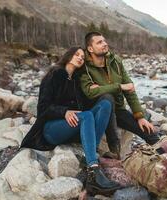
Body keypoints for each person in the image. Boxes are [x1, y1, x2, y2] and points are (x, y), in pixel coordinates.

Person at [20, 47, 121, 195]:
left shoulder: (77, 80)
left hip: (73, 127)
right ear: (68, 56)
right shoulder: (54, 74)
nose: (80, 57)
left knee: (105, 104)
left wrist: (99, 88)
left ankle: (91, 154)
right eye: (76, 54)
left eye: (82, 56)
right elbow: (42, 108)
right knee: (86, 116)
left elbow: (86, 106)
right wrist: (64, 112)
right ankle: (93, 170)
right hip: (51, 129)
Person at [80, 32, 160, 158]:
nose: (105, 44)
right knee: (107, 98)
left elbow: (130, 88)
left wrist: (139, 116)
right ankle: (114, 151)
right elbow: (90, 93)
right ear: (90, 48)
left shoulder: (115, 61)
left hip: (118, 110)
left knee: (148, 131)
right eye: (99, 42)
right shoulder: (83, 66)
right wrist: (118, 87)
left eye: (104, 41)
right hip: (96, 111)